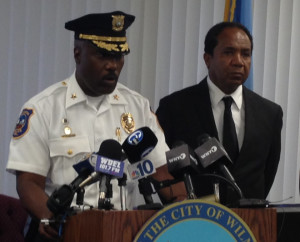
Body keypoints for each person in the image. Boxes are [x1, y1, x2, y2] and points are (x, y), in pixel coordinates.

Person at [6, 11, 185, 241]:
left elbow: (161, 172)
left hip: (122, 230)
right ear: (77, 54)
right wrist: (50, 216)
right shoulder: (43, 108)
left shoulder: (137, 107)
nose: (113, 65)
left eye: (119, 56)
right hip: (61, 231)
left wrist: (185, 209)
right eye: (103, 55)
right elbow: (29, 182)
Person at [156, 22, 283, 204]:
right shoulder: (175, 107)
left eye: (245, 54)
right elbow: (163, 169)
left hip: (247, 226)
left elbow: (267, 173)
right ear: (208, 59)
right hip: (192, 221)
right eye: (228, 52)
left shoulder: (270, 114)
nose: (239, 61)